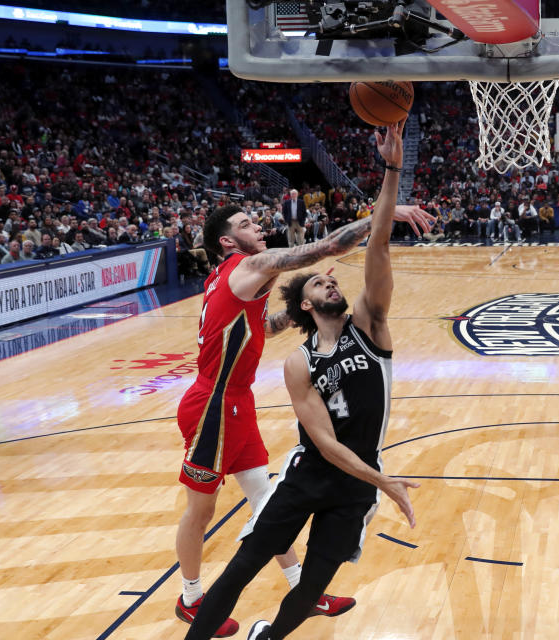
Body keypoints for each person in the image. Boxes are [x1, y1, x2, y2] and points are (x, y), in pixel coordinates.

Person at [174, 122, 432, 638]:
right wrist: (383, 215)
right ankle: (191, 597)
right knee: (201, 508)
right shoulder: (248, 265)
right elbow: (319, 250)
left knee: (262, 496)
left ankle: (301, 585)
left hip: (237, 399)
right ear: (229, 241)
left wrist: (304, 309)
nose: (259, 226)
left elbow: (263, 327)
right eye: (248, 223)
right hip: (213, 403)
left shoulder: (235, 284)